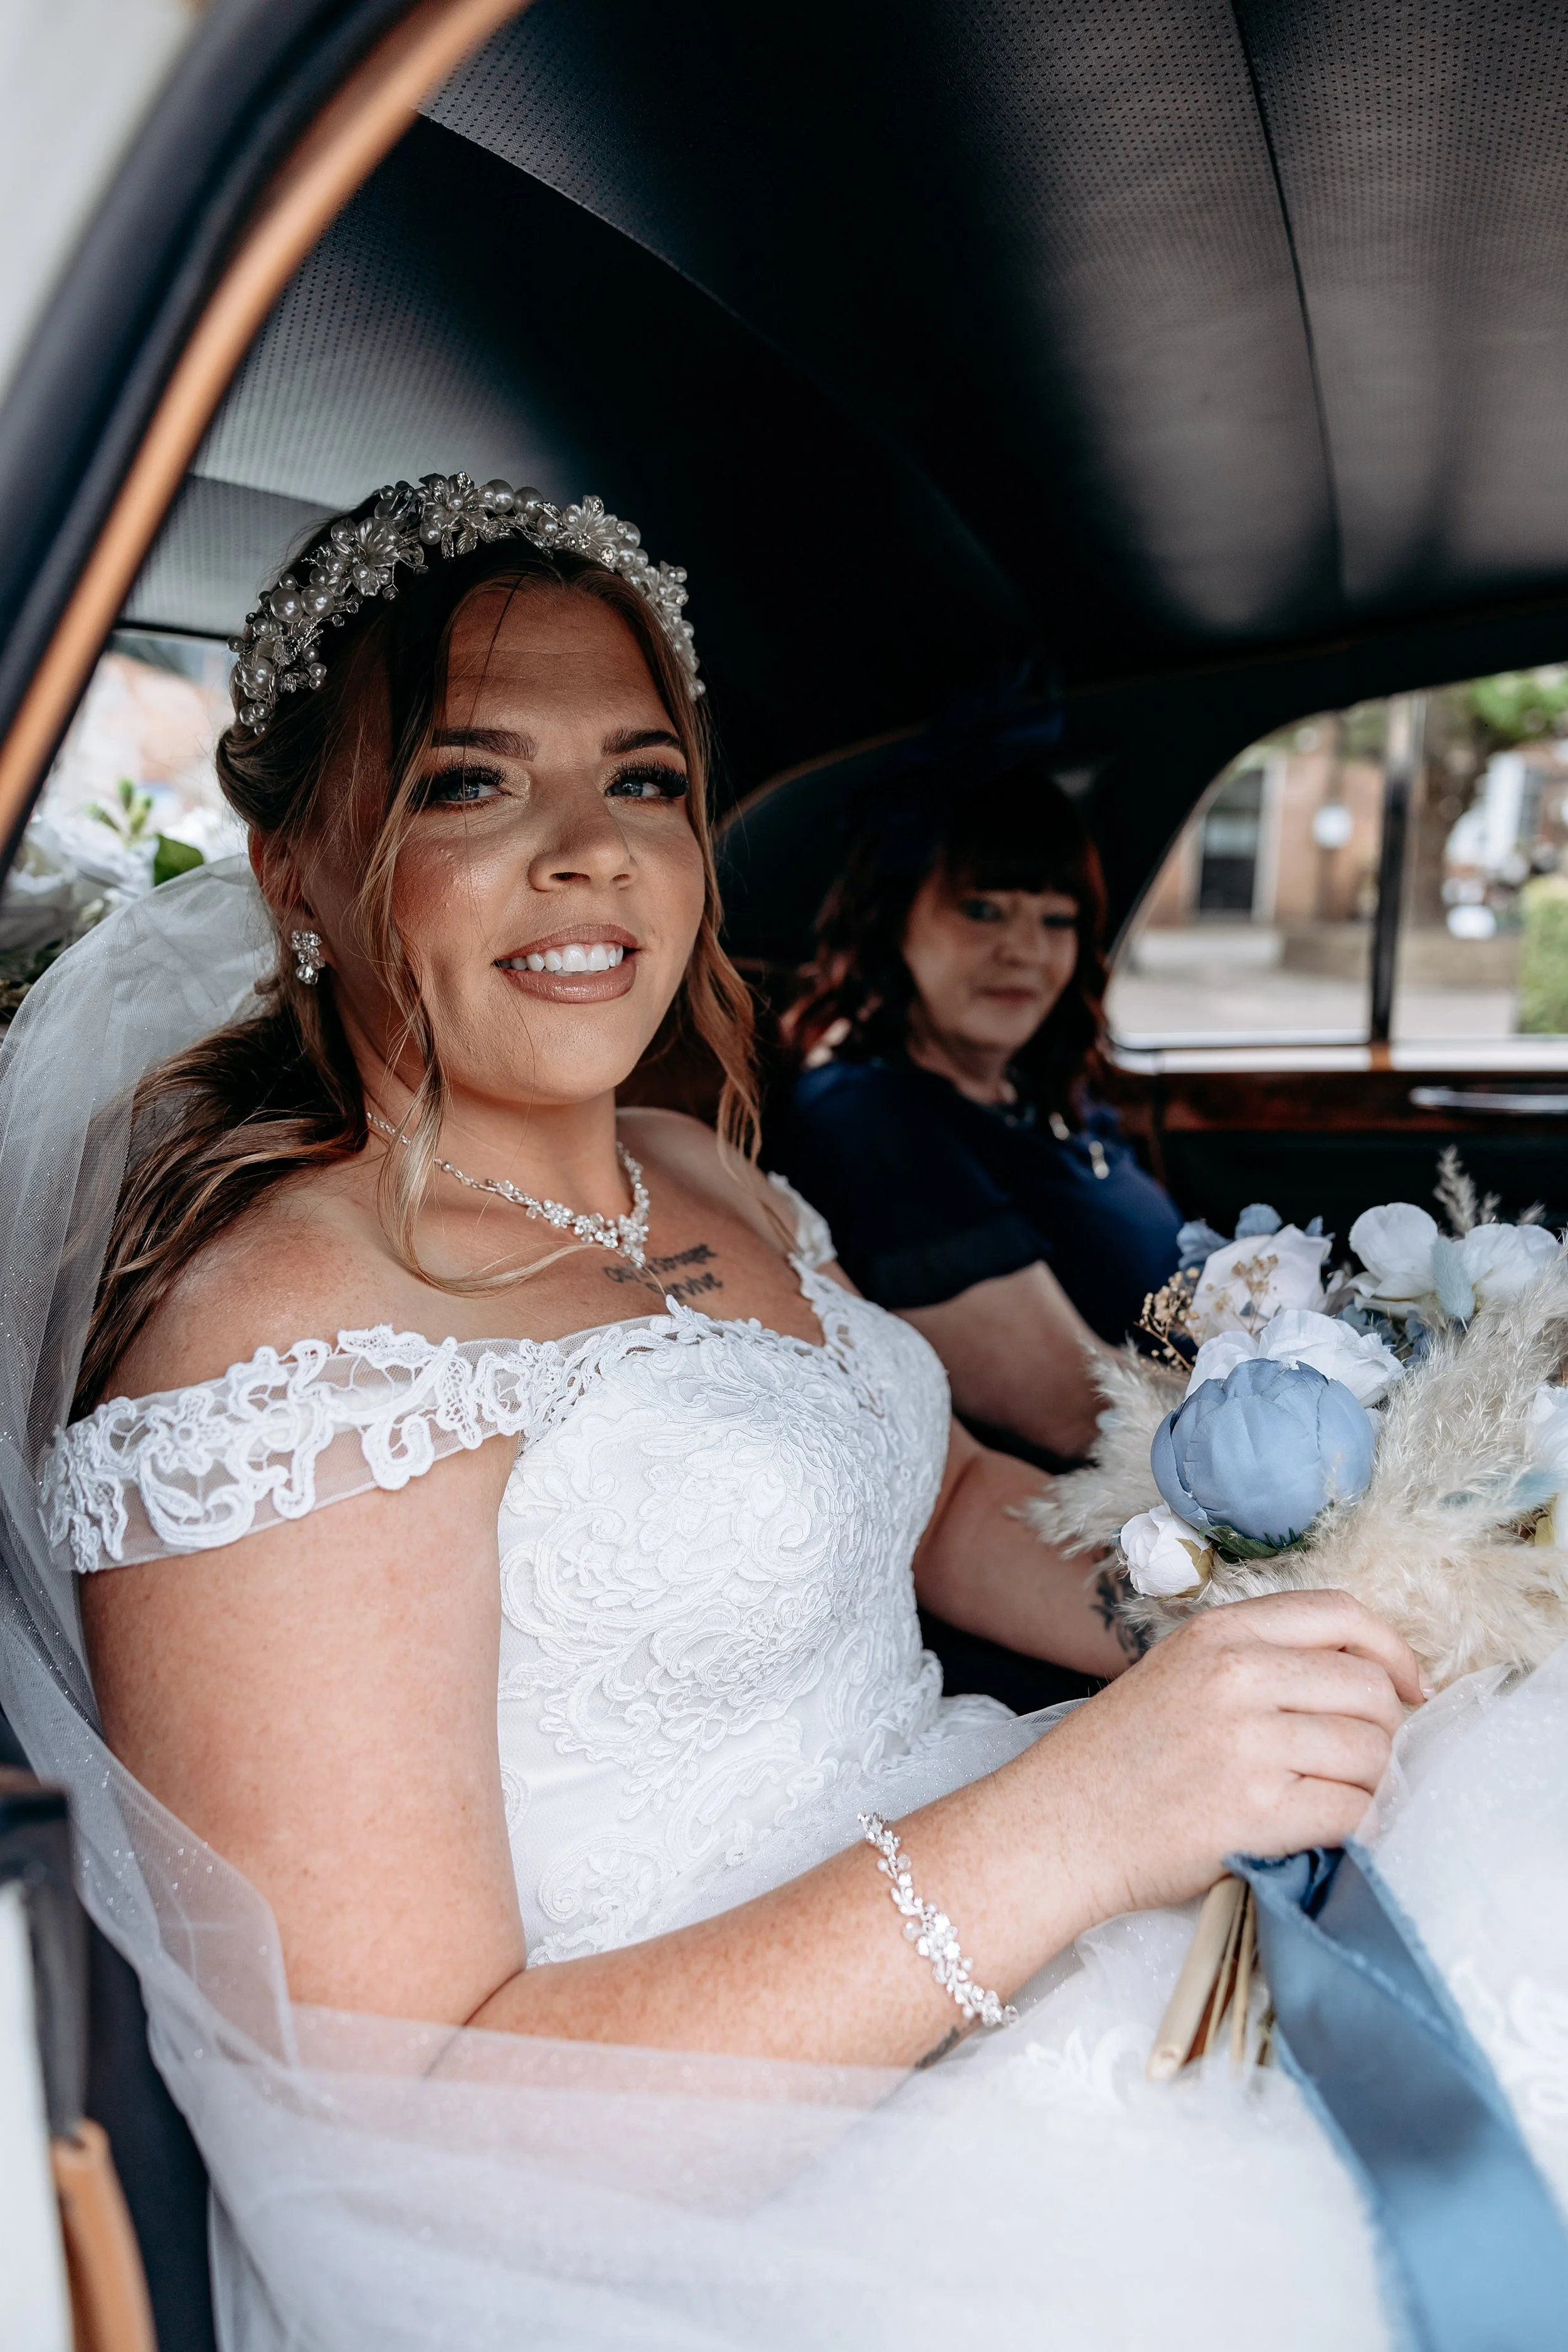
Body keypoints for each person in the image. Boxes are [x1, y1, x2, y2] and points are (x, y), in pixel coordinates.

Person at [0, 475, 1560, 2352]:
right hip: (737, 2176)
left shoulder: (693, 1162)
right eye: (468, 780)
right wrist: (1084, 1810)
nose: (587, 849)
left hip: (994, 1868)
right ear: (297, 871)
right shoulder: (272, 1335)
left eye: (641, 778)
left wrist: (1238, 1601)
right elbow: (407, 2125)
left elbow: (931, 1484)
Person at [777, 763, 1183, 1473]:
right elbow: (1072, 1408)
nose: (1023, 951)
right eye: (982, 911)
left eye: (1056, 920)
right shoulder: (868, 1122)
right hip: (1103, 1512)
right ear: (894, 918)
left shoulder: (1046, 1099)